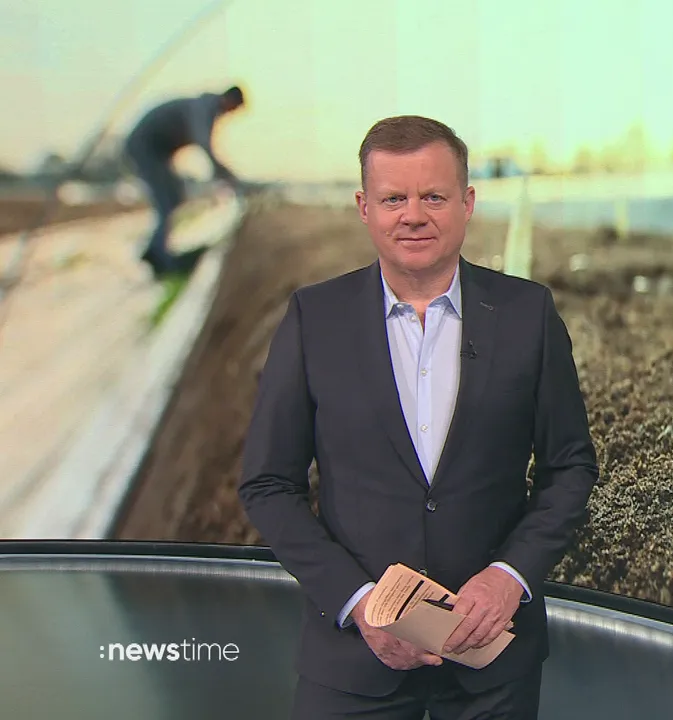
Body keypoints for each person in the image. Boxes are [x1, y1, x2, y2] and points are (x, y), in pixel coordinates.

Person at [238, 115, 599, 719]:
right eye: (393, 199)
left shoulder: (528, 314)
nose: (413, 215)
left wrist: (509, 576)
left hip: (493, 668)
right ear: (364, 207)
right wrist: (359, 603)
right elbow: (268, 484)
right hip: (352, 666)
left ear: (467, 203)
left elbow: (570, 467)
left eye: (433, 196)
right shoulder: (312, 320)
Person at [123, 85, 245, 277]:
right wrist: (225, 173)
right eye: (234, 108)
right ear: (229, 100)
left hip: (159, 151)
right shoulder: (203, 108)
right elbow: (204, 143)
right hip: (145, 147)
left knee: (174, 197)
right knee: (166, 201)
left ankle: (155, 252)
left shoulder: (206, 108)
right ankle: (162, 261)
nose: (230, 113)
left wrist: (221, 172)